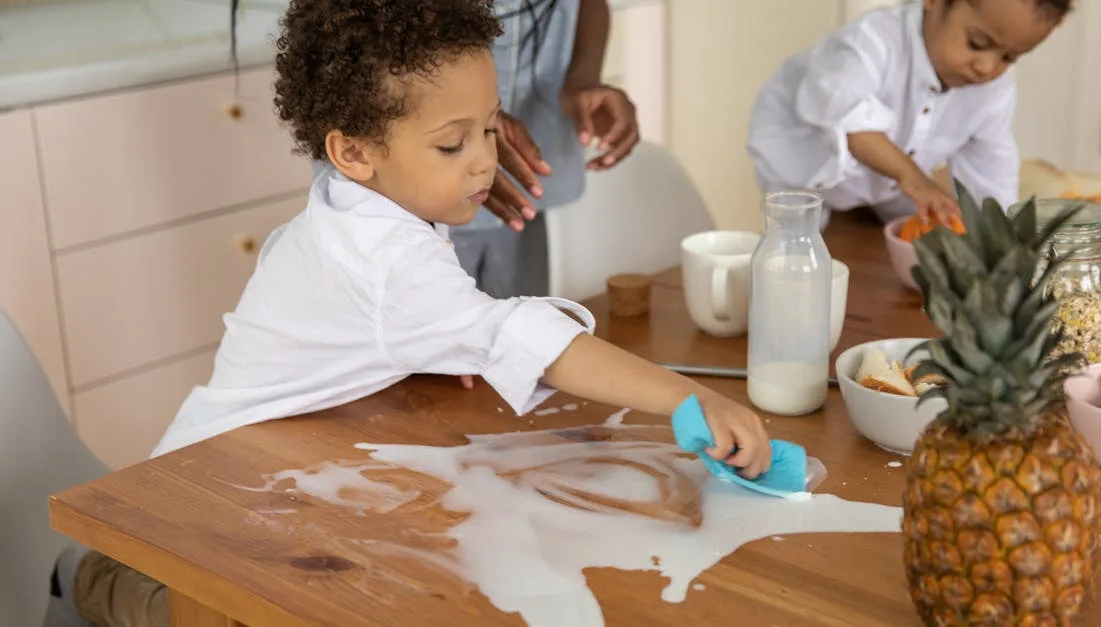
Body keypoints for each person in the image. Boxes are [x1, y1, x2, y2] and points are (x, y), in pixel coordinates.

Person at [42, 1, 766, 625]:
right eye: (453, 143)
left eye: (489, 127)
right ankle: (80, 577)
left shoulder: (364, 202)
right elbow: (524, 337)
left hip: (250, 475)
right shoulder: (384, 255)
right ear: (352, 151)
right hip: (182, 527)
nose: (485, 161)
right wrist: (688, 395)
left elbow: (398, 324)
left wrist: (434, 341)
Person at [746, 0, 1071, 229]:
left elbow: (991, 163)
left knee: (921, 229)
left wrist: (1001, 235)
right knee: (796, 250)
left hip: (891, 182)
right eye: (977, 43)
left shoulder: (994, 89)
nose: (987, 67)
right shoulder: (872, 42)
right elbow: (851, 122)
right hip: (802, 163)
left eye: (1009, 57)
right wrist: (915, 179)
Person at [453, 0, 640, 298]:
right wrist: (460, 114)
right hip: (426, 207)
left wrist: (583, 79)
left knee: (523, 324)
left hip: (528, 195)